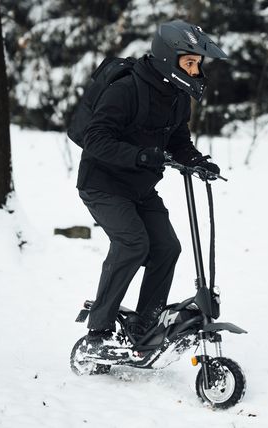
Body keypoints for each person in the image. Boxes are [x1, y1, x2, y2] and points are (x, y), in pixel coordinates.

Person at [76, 20, 228, 349]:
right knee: (133, 244)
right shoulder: (126, 89)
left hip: (140, 188)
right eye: (189, 62)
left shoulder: (177, 96)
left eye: (197, 64)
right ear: (167, 58)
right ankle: (97, 332)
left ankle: (146, 323)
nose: (195, 70)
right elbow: (95, 139)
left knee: (167, 248)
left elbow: (178, 140)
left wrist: (196, 160)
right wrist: (141, 156)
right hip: (102, 184)